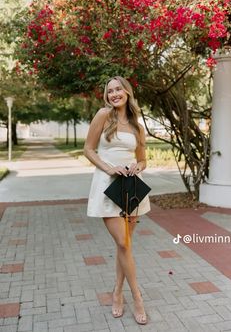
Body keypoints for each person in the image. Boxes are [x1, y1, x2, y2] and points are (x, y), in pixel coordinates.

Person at [84, 76, 150, 325]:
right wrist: (108, 167)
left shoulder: (136, 125)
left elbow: (144, 159)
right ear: (106, 96)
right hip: (107, 185)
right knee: (123, 243)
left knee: (125, 247)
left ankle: (117, 292)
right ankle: (137, 298)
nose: (114, 94)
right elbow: (88, 149)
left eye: (118, 89)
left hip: (131, 187)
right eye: (110, 91)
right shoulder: (103, 115)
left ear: (127, 92)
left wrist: (137, 164)